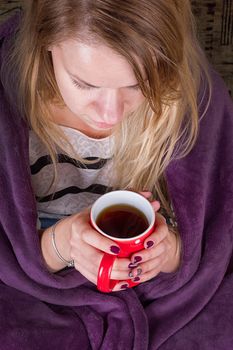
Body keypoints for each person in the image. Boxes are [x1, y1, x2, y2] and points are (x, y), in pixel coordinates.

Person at [0, 1, 232, 349]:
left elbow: (218, 226)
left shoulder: (195, 98)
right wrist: (59, 247)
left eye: (138, 85)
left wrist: (171, 254)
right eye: (84, 83)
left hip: (162, 293)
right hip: (31, 285)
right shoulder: (8, 105)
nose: (110, 113)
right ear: (43, 41)